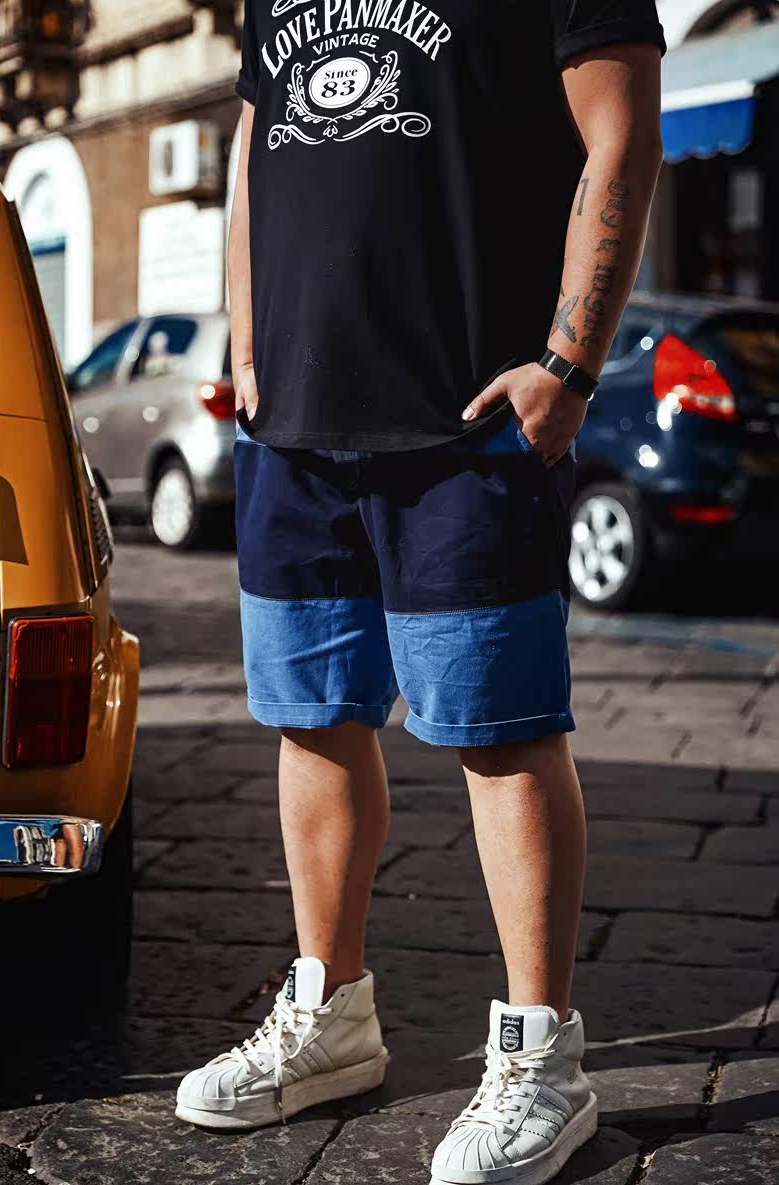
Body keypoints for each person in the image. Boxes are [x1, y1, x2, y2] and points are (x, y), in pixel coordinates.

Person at [176, 2, 665, 1180]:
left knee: (502, 732)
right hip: (291, 425)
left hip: (467, 422)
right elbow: (254, 144)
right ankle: (330, 1016)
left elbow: (621, 134)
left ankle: (541, 1057)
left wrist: (568, 366)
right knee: (311, 720)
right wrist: (247, 339)